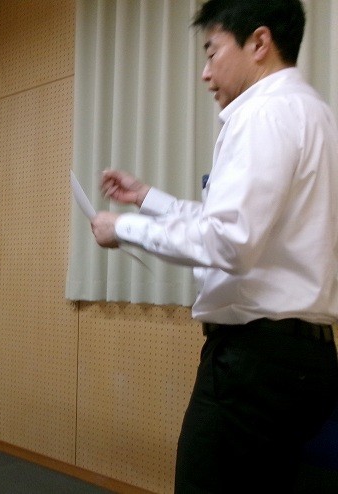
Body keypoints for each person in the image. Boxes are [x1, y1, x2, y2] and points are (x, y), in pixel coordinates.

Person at [90, 0, 338, 492]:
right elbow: (236, 226)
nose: (205, 74)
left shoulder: (262, 112)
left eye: (212, 52)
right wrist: (147, 198)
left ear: (259, 43)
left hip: (254, 364)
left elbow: (229, 240)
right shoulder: (314, 114)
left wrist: (124, 228)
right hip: (304, 359)